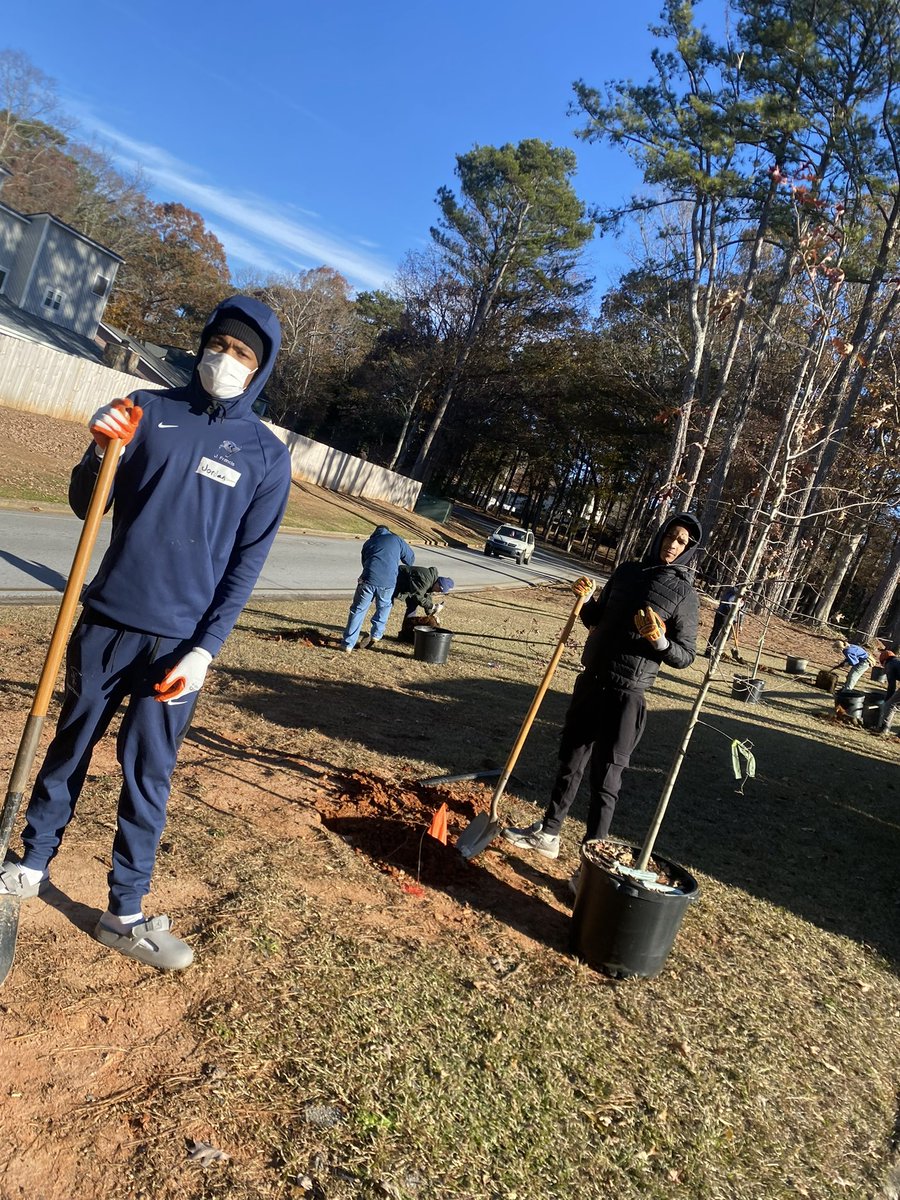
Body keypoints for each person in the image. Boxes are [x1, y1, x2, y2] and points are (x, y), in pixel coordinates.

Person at [0, 296, 292, 971]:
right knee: (69, 746)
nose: (227, 359)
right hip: (106, 622)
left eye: (244, 353)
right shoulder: (146, 410)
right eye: (220, 344)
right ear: (202, 345)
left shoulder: (264, 459)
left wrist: (205, 650)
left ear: (262, 368)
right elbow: (87, 506)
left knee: (147, 776)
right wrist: (99, 448)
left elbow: (245, 568)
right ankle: (30, 864)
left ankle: (124, 910)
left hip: (176, 650)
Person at [502, 512, 702, 875]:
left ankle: (592, 865)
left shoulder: (684, 594)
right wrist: (587, 599)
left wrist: (658, 640)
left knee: (606, 780)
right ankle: (549, 832)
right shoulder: (626, 572)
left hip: (627, 696)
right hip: (591, 682)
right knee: (570, 761)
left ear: (689, 550)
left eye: (682, 541)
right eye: (670, 535)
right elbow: (595, 618)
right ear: (659, 535)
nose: (673, 544)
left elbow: (686, 655)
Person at [341, 525, 415, 652]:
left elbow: (365, 562)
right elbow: (410, 559)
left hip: (368, 579)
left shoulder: (369, 542)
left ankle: (348, 644)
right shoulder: (396, 539)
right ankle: (376, 634)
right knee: (384, 606)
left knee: (358, 610)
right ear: (388, 531)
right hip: (388, 582)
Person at [705, 585, 742, 656]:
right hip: (723, 615)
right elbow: (728, 602)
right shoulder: (733, 593)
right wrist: (730, 615)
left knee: (727, 636)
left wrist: (740, 624)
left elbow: (741, 612)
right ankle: (710, 651)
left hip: (732, 618)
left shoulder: (742, 597)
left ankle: (717, 650)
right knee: (717, 633)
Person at [876, 648, 900, 736]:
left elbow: (892, 686)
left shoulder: (890, 665)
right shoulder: (897, 662)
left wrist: (886, 700)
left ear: (884, 661)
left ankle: (883, 729)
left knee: (890, 705)